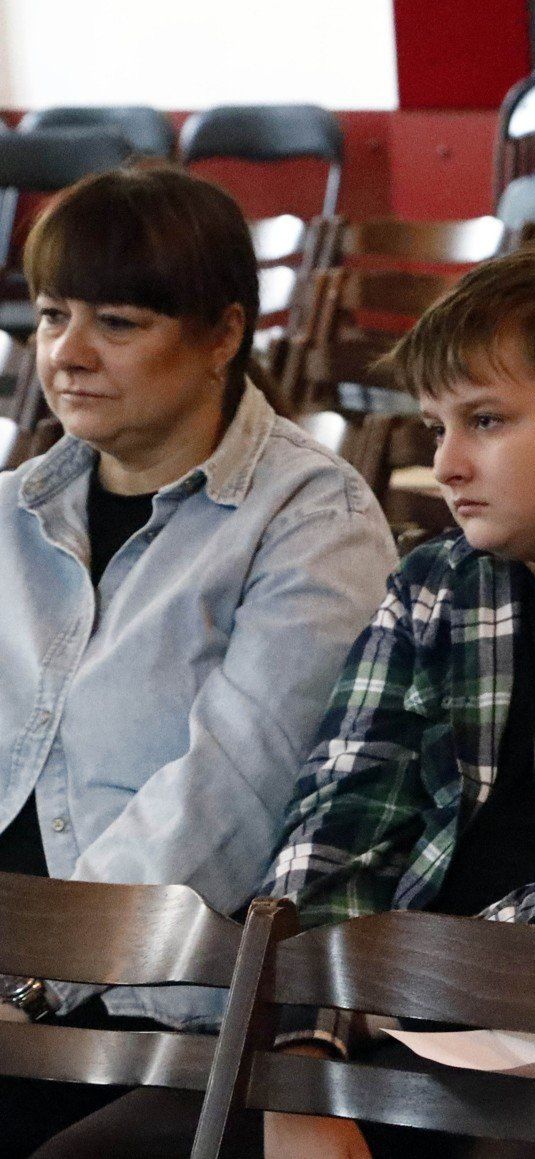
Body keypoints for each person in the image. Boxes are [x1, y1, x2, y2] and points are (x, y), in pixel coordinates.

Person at [40, 244, 535, 1159]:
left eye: (485, 421)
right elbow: (329, 834)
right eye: (434, 427)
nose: (445, 464)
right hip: (392, 1033)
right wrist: (305, 1051)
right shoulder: (433, 586)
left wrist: (413, 975)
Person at [0, 166, 395, 1155]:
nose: (69, 353)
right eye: (52, 315)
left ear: (223, 335)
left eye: (119, 323)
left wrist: (29, 978)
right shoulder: (10, 510)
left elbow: (233, 791)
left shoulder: (314, 519)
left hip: (154, 999)